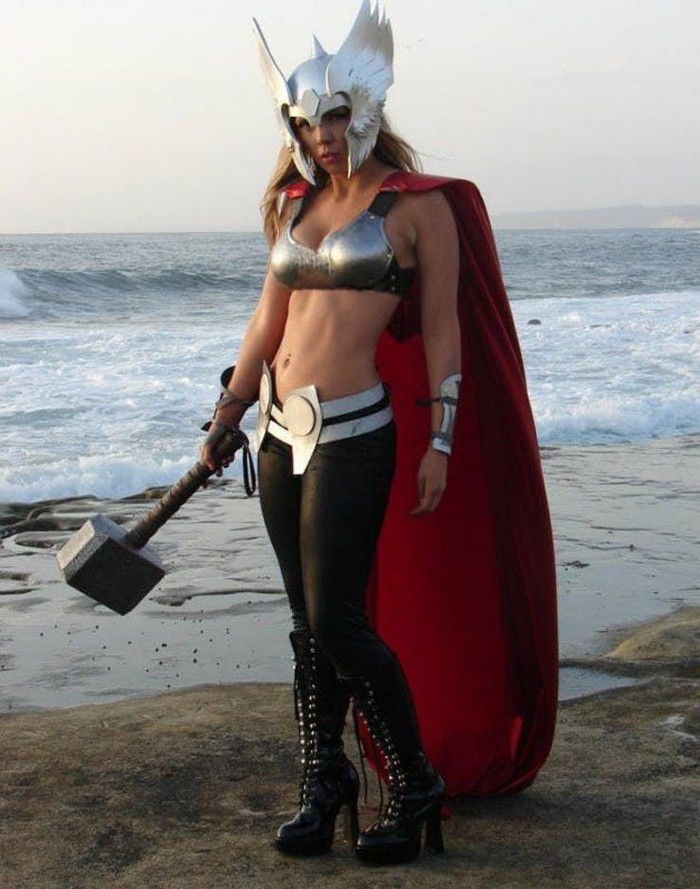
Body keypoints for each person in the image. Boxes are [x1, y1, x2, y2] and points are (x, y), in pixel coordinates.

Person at [201, 0, 558, 866]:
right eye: (304, 121)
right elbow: (267, 320)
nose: (321, 136)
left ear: (364, 108)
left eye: (333, 116)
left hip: (356, 429)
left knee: (338, 619)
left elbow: (443, 331)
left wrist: (441, 442)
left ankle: (411, 778)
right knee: (306, 624)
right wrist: (228, 412)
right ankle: (324, 783)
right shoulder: (295, 203)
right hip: (280, 432)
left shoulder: (418, 208)